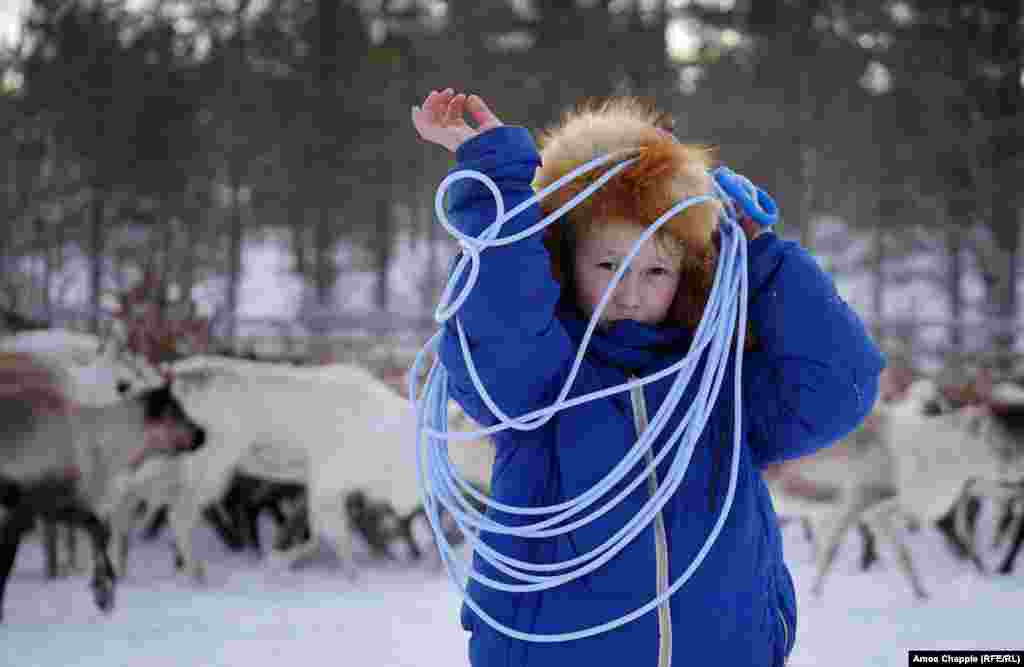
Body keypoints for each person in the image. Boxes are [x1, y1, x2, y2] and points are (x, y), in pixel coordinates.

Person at [411, 88, 885, 667]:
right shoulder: (540, 384)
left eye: (655, 269)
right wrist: (500, 186)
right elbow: (499, 333)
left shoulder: (719, 389)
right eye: (608, 265)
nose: (629, 293)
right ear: (565, 262)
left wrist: (762, 257)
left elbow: (839, 385)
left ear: (687, 274)